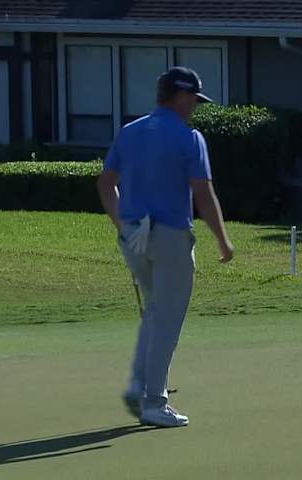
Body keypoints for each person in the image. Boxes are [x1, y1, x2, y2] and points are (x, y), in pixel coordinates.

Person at [97, 66, 234, 428]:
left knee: (156, 312)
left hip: (134, 237)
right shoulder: (190, 138)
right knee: (168, 320)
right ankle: (155, 403)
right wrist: (222, 239)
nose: (195, 107)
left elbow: (106, 183)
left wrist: (122, 224)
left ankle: (138, 385)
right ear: (179, 95)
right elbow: (203, 194)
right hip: (171, 237)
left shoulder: (129, 132)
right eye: (192, 99)